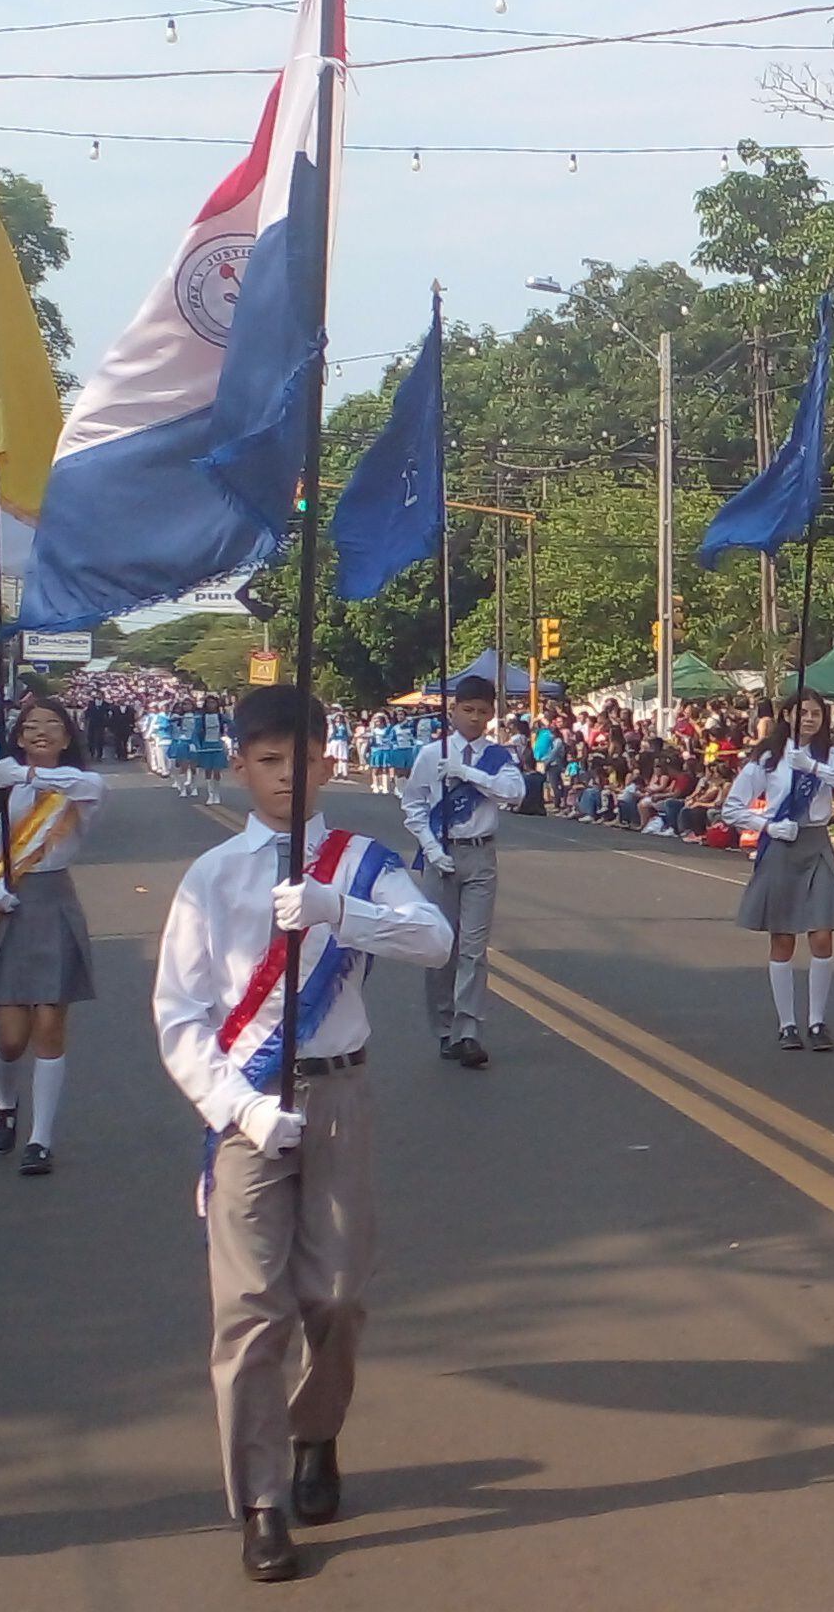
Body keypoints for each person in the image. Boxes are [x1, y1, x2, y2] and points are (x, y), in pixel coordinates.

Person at [151, 685, 455, 1582]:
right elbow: (180, 1013)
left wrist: (336, 911)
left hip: (337, 1095)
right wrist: (237, 1107)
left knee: (335, 1294)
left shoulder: (360, 862)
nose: (287, 776)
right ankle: (261, 1499)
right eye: (268, 761)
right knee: (249, 1310)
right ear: (239, 765)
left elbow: (434, 939)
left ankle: (316, 1432)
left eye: (302, 758)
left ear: (329, 761)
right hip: (246, 1107)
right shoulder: (210, 877)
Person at [0, 695, 103, 1177]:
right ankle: (6, 1100)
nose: (41, 732)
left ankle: (40, 1140)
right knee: (12, 1039)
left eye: (52, 724)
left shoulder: (82, 786)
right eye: (31, 725)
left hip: (54, 903)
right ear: (16, 736)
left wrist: (25, 776)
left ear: (67, 736)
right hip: (6, 907)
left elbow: (78, 783)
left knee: (51, 1024)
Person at [399, 675, 526, 1068]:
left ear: (491, 715)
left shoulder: (497, 757)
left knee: (474, 949)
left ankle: (468, 1031)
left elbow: (515, 793)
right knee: (442, 946)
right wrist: (432, 849)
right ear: (453, 710)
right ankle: (444, 1028)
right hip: (443, 855)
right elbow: (413, 807)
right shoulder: (429, 754)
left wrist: (468, 773)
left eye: (482, 712)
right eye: (467, 710)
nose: (474, 718)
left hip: (481, 855)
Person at [732, 693, 834, 1050]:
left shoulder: (829, 755)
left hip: (816, 844)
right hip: (781, 846)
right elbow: (732, 808)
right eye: (802, 713)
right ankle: (787, 1024)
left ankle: (818, 1022)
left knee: (821, 934)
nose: (809, 719)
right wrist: (768, 827)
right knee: (783, 938)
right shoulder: (768, 758)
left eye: (815, 713)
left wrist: (813, 767)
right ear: (787, 716)